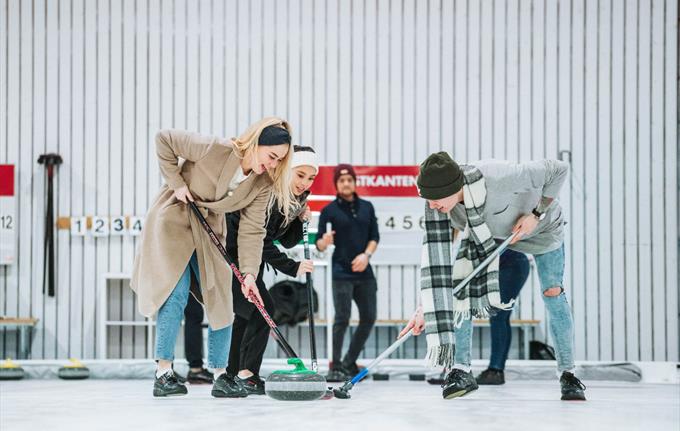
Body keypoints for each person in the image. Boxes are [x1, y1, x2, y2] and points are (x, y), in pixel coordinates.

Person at [130, 118, 295, 398]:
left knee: (222, 298)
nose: (273, 164)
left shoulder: (262, 183)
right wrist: (176, 182)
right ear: (256, 144)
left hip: (210, 232)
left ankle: (221, 375)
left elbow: (252, 231)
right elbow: (164, 138)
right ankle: (164, 373)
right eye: (272, 156)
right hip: (174, 220)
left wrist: (250, 274)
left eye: (279, 160)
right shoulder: (216, 149)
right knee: (176, 294)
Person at [401, 153, 586, 401]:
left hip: (542, 230)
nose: (431, 205)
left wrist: (537, 213)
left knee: (552, 292)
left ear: (451, 188)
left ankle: (568, 374)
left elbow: (558, 169)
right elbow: (438, 263)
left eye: (434, 198)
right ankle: (461, 370)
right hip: (494, 237)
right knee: (461, 288)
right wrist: (425, 306)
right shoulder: (443, 208)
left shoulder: (500, 176)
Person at [224, 146, 319, 395]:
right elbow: (260, 241)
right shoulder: (270, 192)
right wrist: (292, 267)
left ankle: (232, 374)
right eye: (300, 175)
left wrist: (299, 220)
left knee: (247, 314)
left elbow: (285, 241)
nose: (305, 182)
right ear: (287, 171)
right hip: (234, 255)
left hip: (252, 261)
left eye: (311, 177)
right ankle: (247, 374)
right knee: (262, 308)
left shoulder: (295, 198)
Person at [316, 164, 380, 382]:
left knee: (369, 317)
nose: (346, 183)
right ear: (336, 184)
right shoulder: (329, 211)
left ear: (354, 182)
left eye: (349, 180)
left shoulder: (367, 207)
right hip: (341, 272)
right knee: (341, 319)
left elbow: (375, 236)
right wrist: (324, 242)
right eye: (342, 180)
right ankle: (335, 366)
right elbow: (319, 243)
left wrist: (366, 256)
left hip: (365, 273)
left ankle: (349, 362)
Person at [476, 249, 530, 385]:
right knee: (500, 317)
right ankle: (496, 370)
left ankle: (495, 370)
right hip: (510, 262)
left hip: (512, 262)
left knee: (498, 316)